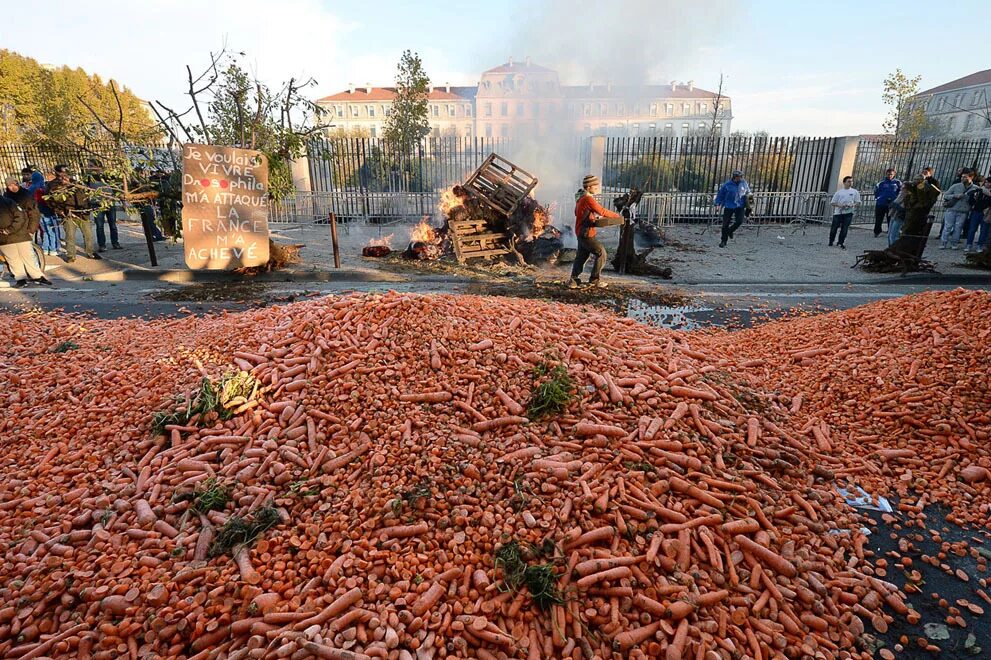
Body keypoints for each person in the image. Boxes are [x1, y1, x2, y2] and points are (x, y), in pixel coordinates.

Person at [569, 175, 623, 288]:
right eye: (595, 186)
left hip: (580, 231)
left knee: (581, 257)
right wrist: (617, 216)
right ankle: (594, 280)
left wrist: (592, 218)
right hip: (586, 233)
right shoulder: (588, 199)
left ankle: (573, 280)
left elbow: (577, 213)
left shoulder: (580, 198)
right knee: (601, 253)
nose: (597, 188)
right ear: (588, 187)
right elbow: (602, 211)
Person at [46, 164, 101, 262]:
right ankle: (71, 255)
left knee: (88, 234)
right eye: (63, 172)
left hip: (82, 213)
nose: (65, 175)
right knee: (70, 235)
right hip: (68, 214)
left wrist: (87, 207)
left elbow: (84, 195)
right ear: (57, 173)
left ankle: (90, 252)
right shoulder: (52, 185)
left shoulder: (75, 183)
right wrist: (59, 211)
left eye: (67, 172)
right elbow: (50, 201)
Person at [0, 196, 50, 287]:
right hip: (6, 238)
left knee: (27, 257)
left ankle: (36, 277)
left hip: (18, 235)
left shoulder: (9, 202)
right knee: (13, 260)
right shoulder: (10, 201)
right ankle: (22, 279)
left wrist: (9, 230)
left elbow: (20, 217)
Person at [22, 167, 61, 256]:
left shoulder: (30, 188)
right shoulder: (42, 189)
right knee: (51, 231)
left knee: (45, 231)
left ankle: (45, 248)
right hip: (47, 212)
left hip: (37, 212)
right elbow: (47, 201)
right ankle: (53, 249)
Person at [714, 169, 751, 248]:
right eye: (739, 177)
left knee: (739, 221)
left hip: (740, 206)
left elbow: (748, 193)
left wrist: (750, 204)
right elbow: (720, 195)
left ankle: (730, 231)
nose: (740, 178)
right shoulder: (727, 185)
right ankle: (723, 241)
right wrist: (717, 204)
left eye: (741, 176)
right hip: (729, 206)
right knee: (725, 224)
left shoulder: (744, 183)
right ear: (734, 177)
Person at [88, 165, 122, 251]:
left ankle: (115, 243)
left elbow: (115, 187)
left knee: (113, 224)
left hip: (109, 203)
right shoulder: (89, 177)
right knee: (99, 226)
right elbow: (87, 190)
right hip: (97, 204)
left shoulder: (107, 176)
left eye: (91, 165)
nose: (90, 167)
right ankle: (102, 245)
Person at [939, 168, 974, 249]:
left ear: (971, 177)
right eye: (962, 177)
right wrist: (955, 196)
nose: (962, 178)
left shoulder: (974, 188)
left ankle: (954, 243)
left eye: (965, 177)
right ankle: (943, 242)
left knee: (958, 228)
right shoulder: (955, 186)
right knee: (948, 226)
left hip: (963, 211)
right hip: (952, 209)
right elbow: (946, 195)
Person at [829, 176, 861, 249]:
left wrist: (853, 205)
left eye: (851, 181)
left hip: (848, 213)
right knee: (834, 228)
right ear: (844, 183)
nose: (850, 183)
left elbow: (858, 202)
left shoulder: (855, 192)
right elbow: (833, 202)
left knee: (845, 228)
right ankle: (831, 240)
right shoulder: (839, 192)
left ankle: (841, 242)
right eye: (848, 181)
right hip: (838, 213)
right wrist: (840, 205)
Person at [873, 168, 901, 237]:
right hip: (881, 204)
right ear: (886, 174)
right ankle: (877, 232)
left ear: (894, 174)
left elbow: (900, 192)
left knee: (891, 219)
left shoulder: (898, 183)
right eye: (888, 174)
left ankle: (890, 232)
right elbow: (876, 192)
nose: (889, 176)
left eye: (891, 174)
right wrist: (879, 198)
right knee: (878, 219)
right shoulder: (881, 183)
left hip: (892, 204)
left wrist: (896, 200)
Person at [965, 176, 991, 252]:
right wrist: (973, 200)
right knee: (972, 229)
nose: (987, 184)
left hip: (986, 213)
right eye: (986, 182)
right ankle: (968, 244)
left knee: (983, 230)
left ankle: (980, 245)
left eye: (989, 182)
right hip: (976, 211)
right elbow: (971, 199)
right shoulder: (979, 190)